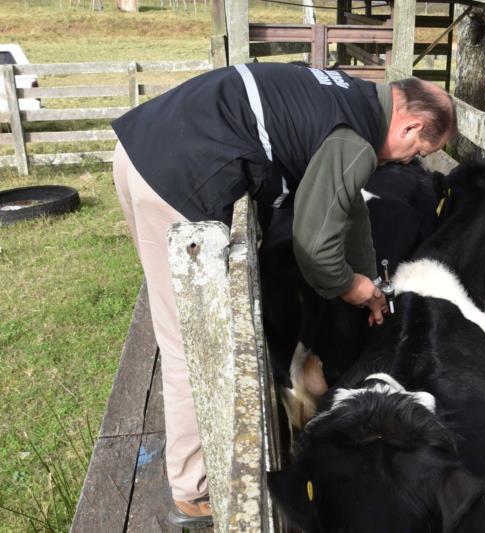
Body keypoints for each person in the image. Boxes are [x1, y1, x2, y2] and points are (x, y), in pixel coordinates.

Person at [111, 62, 456, 528]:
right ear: (411, 124)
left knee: (174, 322)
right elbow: (315, 248)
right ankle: (193, 491)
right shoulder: (354, 141)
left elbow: (347, 207)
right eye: (418, 149)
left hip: (141, 148)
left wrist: (369, 278)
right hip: (179, 178)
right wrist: (351, 287)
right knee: (192, 345)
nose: (406, 161)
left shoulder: (349, 100)